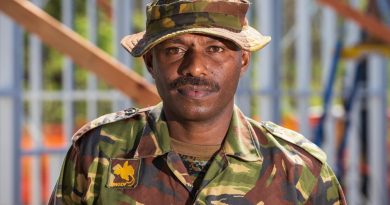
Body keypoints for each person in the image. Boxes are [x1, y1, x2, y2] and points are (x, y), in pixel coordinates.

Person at [49, 0, 347, 204]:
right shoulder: (99, 151)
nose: (195, 67)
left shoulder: (296, 168)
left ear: (243, 61)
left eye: (215, 49)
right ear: (151, 62)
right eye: (175, 49)